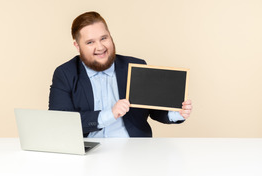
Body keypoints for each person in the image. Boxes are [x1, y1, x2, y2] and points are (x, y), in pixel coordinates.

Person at [49, 11, 192, 137]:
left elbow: (154, 110)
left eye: (104, 38)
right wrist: (110, 114)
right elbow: (61, 121)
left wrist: (176, 114)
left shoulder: (135, 66)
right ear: (77, 46)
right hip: (88, 151)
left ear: (110, 36)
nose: (100, 47)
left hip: (132, 150)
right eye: (90, 42)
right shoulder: (65, 74)